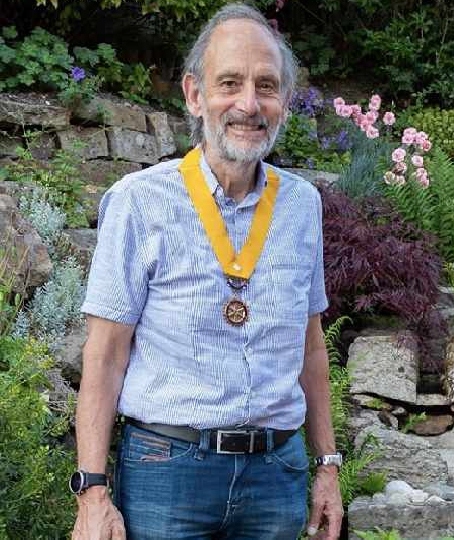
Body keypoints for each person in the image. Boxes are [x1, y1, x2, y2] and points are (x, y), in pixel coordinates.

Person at [70, 4, 343, 539]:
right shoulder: (138, 202)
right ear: (195, 95)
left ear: (285, 101)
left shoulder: (302, 206)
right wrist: (93, 492)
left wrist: (328, 467)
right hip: (167, 473)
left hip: (276, 476)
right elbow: (103, 356)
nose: (248, 103)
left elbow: (311, 346)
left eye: (266, 85)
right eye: (229, 83)